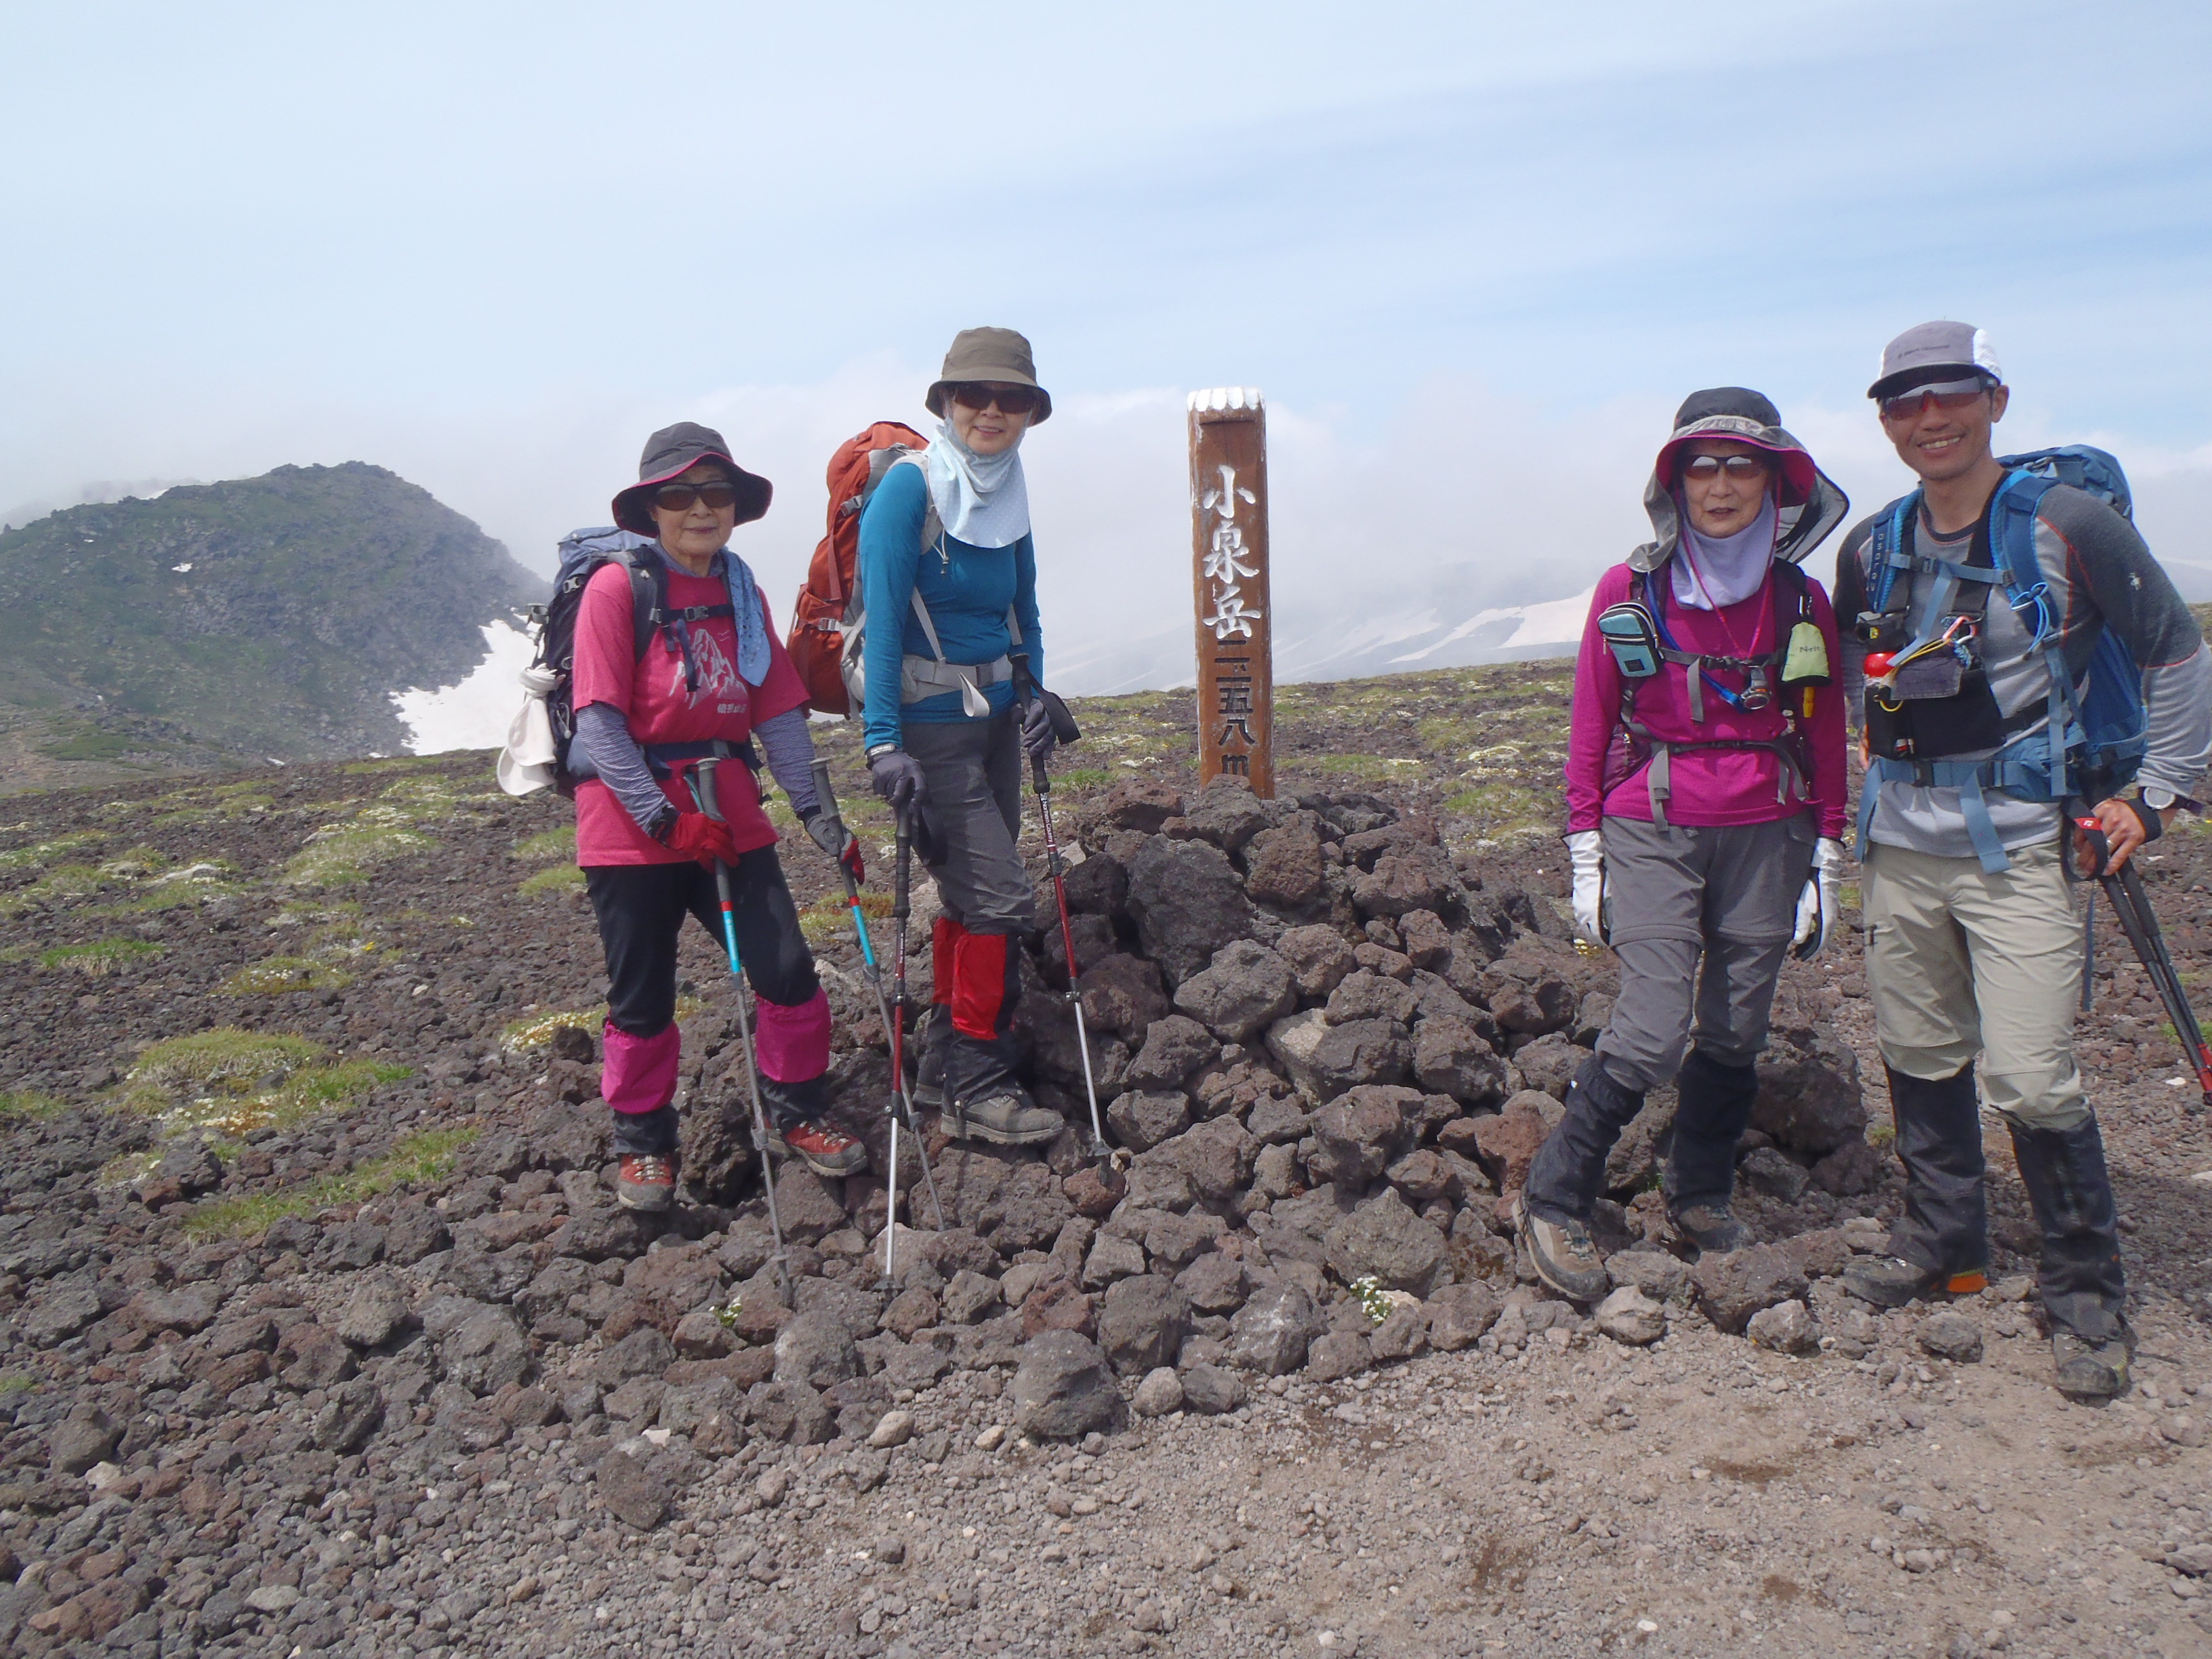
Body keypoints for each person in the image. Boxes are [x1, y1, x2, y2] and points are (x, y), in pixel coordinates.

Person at [1834, 322, 2211, 1399]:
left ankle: (2086, 1290)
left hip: (2023, 846)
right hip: (1899, 844)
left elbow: (2178, 653)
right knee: (1917, 1046)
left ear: (1995, 400)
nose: (1930, 418)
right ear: (1885, 420)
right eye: (1905, 402)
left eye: (1952, 394)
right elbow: (1860, 664)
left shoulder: (2068, 525)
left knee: (2035, 1075)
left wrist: (2155, 796)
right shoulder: (1872, 545)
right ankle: (1945, 1243)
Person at [1515, 388, 1851, 1300]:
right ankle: (1554, 1195)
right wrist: (1586, 851)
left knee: (1738, 1028)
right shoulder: (1629, 591)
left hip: (1770, 832)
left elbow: (1824, 729)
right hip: (1652, 827)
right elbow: (1592, 723)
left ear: (1777, 482)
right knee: (1654, 1027)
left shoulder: (1801, 599)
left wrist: (1827, 853)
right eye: (1703, 466)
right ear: (1675, 483)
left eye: (1743, 466)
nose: (1722, 485)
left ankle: (1699, 1192)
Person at [573, 422, 869, 1209]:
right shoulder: (617, 590)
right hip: (630, 831)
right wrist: (662, 821)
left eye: (716, 493)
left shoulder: (741, 590)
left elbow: (776, 715)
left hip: (729, 814)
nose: (701, 509)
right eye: (680, 495)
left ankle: (796, 1109)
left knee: (787, 971)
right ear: (652, 509)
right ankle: (644, 1144)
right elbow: (599, 723)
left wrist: (821, 818)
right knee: (642, 995)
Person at [859, 327, 1065, 1145]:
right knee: (1001, 899)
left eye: (1011, 399)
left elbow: (1024, 609)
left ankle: (945, 1058)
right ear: (946, 403)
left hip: (997, 725)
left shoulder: (1010, 490)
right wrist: (883, 744)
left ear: (1028, 414)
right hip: (931, 732)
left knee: (971, 898)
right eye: (975, 395)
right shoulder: (909, 492)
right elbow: (882, 626)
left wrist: (1036, 693)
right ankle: (978, 1083)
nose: (991, 411)